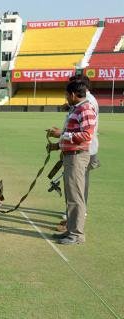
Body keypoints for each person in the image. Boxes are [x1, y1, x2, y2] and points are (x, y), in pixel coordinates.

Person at [47, 80, 97, 245]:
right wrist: (58, 144)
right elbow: (74, 133)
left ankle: (77, 235)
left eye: (67, 95)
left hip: (77, 157)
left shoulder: (86, 109)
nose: (66, 98)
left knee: (76, 197)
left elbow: (86, 136)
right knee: (71, 196)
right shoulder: (77, 108)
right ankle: (71, 230)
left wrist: (62, 134)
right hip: (70, 155)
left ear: (74, 94)